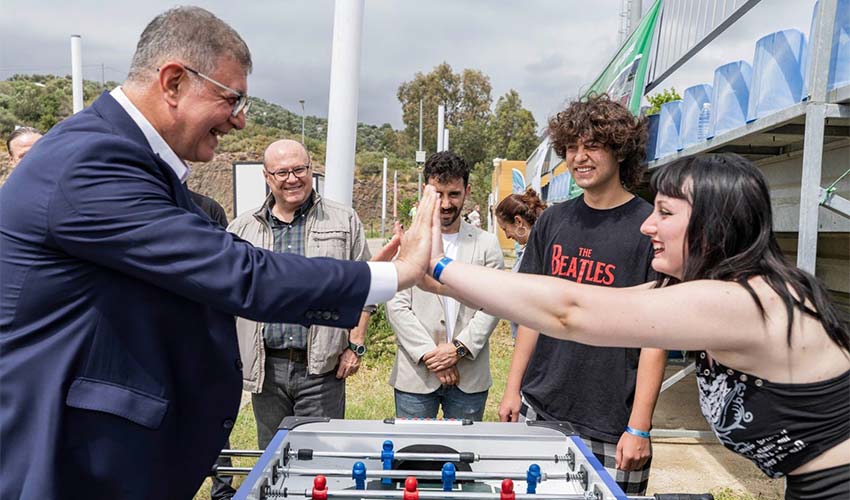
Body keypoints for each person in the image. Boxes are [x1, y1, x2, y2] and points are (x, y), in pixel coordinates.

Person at [0, 7, 436, 499]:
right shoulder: (93, 162)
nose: (241, 119)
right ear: (173, 82)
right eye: (232, 98)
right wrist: (397, 275)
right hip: (66, 462)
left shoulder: (122, 157)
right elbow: (238, 272)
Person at [421, 153, 850, 500]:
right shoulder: (721, 287)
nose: (648, 225)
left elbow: (571, 313)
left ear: (711, 224)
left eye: (664, 212)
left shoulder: (739, 300)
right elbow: (550, 303)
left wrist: (441, 264)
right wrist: (435, 278)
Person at [498, 94, 667, 495]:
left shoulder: (648, 227)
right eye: (572, 147)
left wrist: (639, 426)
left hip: (611, 421)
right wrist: (512, 390)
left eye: (592, 145)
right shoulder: (553, 221)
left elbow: (657, 336)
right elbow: (532, 312)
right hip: (541, 407)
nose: (579, 157)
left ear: (620, 150)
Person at [228, 139, 374, 449]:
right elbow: (227, 296)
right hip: (267, 371)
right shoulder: (241, 230)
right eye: (282, 172)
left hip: (321, 370)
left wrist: (355, 345)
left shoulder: (343, 221)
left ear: (311, 170)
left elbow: (367, 286)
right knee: (273, 460)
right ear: (267, 177)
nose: (293, 179)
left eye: (299, 169)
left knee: (321, 459)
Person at [387, 151, 504, 421]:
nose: (446, 203)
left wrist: (458, 349)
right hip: (416, 377)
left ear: (467, 191)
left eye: (454, 194)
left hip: (469, 375)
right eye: (438, 193)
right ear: (426, 190)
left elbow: (493, 304)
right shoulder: (408, 241)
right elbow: (397, 306)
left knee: (463, 457)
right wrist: (431, 355)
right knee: (412, 458)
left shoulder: (486, 245)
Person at [494, 187, 545, 341]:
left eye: (505, 229)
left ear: (518, 221)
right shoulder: (533, 249)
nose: (507, 236)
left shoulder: (536, 254)